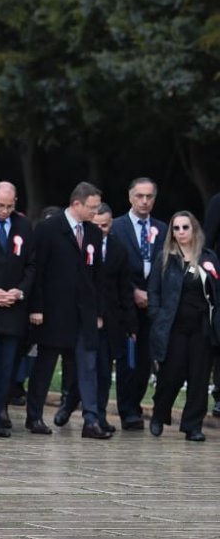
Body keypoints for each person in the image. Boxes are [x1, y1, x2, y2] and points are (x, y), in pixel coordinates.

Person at [27, 182, 110, 439]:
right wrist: (36, 307)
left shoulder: (94, 234)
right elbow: (36, 271)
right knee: (45, 366)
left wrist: (98, 311)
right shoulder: (48, 229)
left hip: (83, 313)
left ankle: (91, 420)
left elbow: (97, 276)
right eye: (92, 208)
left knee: (87, 366)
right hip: (53, 312)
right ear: (77, 204)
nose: (95, 213)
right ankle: (35, 416)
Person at [56, 203, 135, 431]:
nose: (102, 230)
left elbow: (124, 289)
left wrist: (130, 324)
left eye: (106, 225)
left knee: (102, 369)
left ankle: (98, 416)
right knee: (84, 367)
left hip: (110, 320)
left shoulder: (118, 250)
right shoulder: (79, 245)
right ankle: (68, 405)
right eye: (97, 225)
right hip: (81, 316)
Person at [147, 211, 218, 441]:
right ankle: (159, 414)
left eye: (185, 227)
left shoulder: (208, 258)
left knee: (199, 377)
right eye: (176, 228)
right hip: (174, 326)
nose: (181, 232)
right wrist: (157, 315)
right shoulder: (165, 258)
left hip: (201, 327)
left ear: (194, 229)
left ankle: (192, 425)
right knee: (171, 374)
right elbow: (154, 291)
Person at [109, 177, 167, 430]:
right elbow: (111, 266)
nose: (144, 201)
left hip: (153, 304)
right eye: (140, 196)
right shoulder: (116, 227)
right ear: (130, 197)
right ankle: (128, 410)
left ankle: (137, 403)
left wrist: (152, 294)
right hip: (125, 302)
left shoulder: (164, 229)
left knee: (146, 360)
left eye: (149, 197)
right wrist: (132, 291)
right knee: (127, 360)